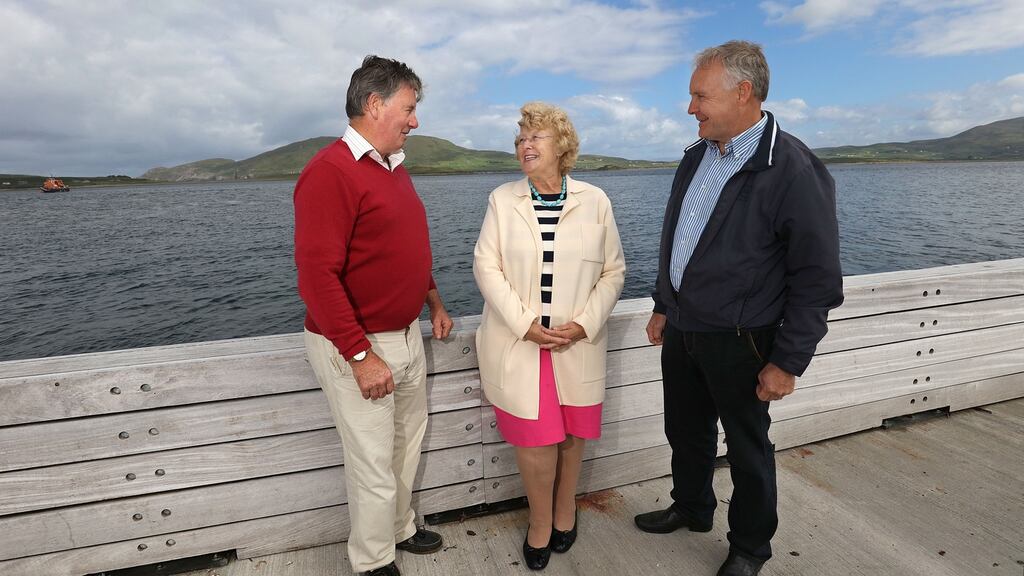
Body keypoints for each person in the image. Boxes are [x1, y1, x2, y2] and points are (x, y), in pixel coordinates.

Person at [634, 41, 844, 576]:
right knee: (684, 430)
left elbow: (816, 278)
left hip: (743, 337)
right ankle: (693, 506)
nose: (690, 108)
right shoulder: (696, 155)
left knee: (748, 448)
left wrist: (789, 360)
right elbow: (679, 239)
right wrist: (664, 304)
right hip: (684, 327)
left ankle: (749, 548)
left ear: (742, 92)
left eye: (699, 95)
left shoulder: (793, 167)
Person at [294, 55, 454, 576]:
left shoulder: (392, 168)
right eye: (409, 108)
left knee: (406, 447)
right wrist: (361, 355)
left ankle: (400, 527)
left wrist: (431, 299)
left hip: (406, 336)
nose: (415, 120)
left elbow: (402, 248)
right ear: (374, 104)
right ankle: (372, 561)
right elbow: (318, 278)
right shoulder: (329, 172)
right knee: (371, 462)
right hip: (360, 345)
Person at [473, 102, 626, 570]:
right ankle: (541, 521)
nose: (525, 144)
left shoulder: (595, 200)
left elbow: (614, 271)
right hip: (522, 345)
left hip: (575, 343)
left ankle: (566, 510)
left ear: (562, 146)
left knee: (570, 439)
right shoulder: (503, 199)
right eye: (521, 137)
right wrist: (525, 324)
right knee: (535, 443)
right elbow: (486, 266)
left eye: (536, 136)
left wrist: (583, 324)